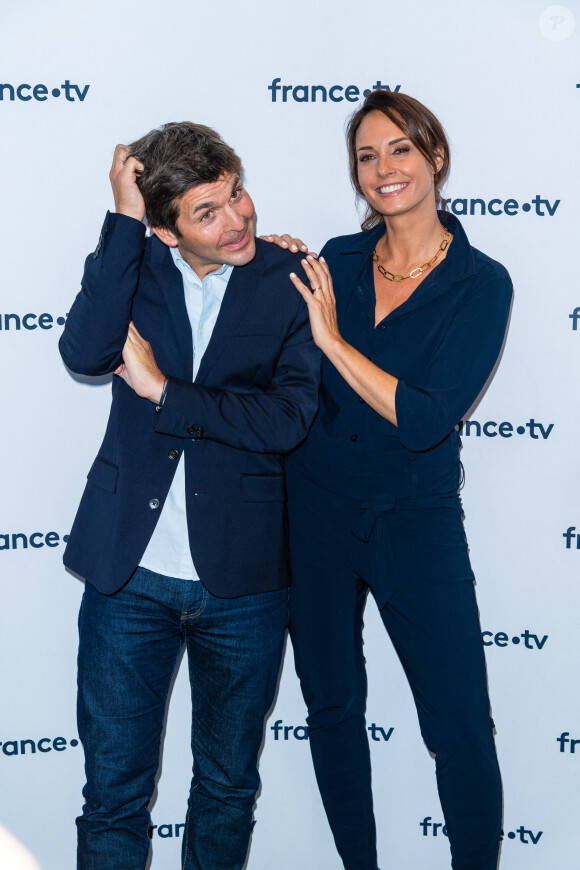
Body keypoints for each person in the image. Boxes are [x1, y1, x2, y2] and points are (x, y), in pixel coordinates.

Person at [59, 122, 319, 870]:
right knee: (113, 796)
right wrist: (122, 219)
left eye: (236, 193)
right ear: (168, 231)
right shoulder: (131, 263)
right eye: (208, 212)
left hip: (244, 582)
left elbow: (289, 419)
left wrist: (166, 394)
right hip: (127, 576)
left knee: (227, 787)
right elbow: (83, 352)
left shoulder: (291, 279)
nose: (237, 218)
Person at [276, 91, 513, 869]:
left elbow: (423, 418)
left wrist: (333, 340)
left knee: (459, 726)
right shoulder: (335, 262)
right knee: (333, 708)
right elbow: (245, 319)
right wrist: (256, 259)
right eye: (368, 156)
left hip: (415, 517)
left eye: (401, 150)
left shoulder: (483, 283)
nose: (384, 169)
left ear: (435, 158)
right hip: (313, 513)